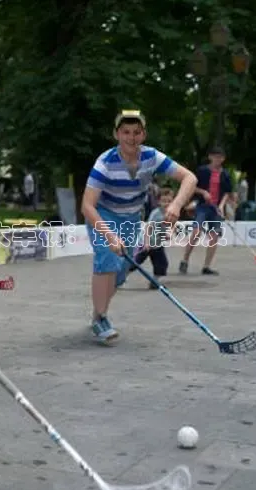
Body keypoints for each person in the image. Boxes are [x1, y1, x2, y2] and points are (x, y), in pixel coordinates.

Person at [81, 110, 197, 345]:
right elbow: (86, 206)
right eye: (125, 132)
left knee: (122, 269)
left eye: (136, 132)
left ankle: (97, 315)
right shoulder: (105, 163)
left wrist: (176, 205)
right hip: (103, 215)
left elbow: (190, 178)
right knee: (107, 258)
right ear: (116, 134)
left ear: (143, 135)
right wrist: (110, 236)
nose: (131, 138)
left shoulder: (151, 157)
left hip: (132, 217)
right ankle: (101, 318)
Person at [179, 146, 232, 276]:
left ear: (223, 159)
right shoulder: (202, 171)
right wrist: (203, 192)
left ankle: (207, 266)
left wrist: (221, 205)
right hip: (202, 206)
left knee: (213, 236)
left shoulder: (225, 174)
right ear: (210, 157)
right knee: (196, 232)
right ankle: (185, 260)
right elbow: (192, 186)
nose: (217, 159)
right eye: (215, 156)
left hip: (216, 209)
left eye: (220, 157)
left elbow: (227, 192)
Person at [131, 187, 174, 289]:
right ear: (159, 201)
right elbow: (148, 228)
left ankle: (154, 282)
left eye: (169, 201)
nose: (166, 203)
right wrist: (146, 243)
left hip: (157, 244)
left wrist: (168, 234)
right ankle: (119, 278)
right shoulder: (156, 213)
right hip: (146, 242)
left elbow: (171, 226)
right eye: (164, 201)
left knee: (162, 264)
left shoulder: (171, 214)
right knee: (135, 263)